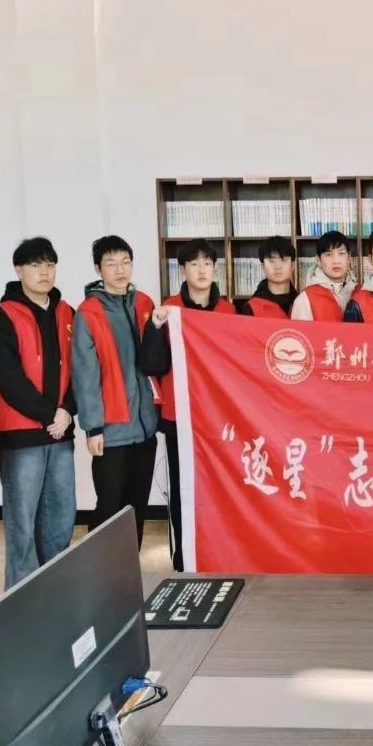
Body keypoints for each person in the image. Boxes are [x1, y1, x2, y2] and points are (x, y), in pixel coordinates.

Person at [0, 236, 77, 589]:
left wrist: (68, 410)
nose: (44, 272)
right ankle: (20, 603)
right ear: (19, 270)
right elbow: (8, 379)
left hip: (61, 435)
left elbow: (81, 369)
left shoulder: (67, 313)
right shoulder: (2, 318)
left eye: (50, 264)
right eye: (35, 265)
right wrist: (51, 414)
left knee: (61, 521)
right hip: (22, 438)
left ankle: (55, 595)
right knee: (22, 527)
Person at [140, 239, 234, 571]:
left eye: (207, 263)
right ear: (182, 270)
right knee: (182, 492)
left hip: (219, 420)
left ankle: (219, 556)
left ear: (215, 268)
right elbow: (151, 364)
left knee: (221, 491)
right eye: (194, 264)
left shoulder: (228, 312)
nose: (201, 270)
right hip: (179, 418)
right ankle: (184, 562)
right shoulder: (168, 310)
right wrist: (156, 327)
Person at [72, 235, 159, 548]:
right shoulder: (89, 312)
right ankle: (101, 570)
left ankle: (129, 570)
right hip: (110, 431)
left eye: (125, 262)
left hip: (145, 427)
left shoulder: (145, 304)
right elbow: (85, 374)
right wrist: (93, 427)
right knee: (109, 508)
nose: (120, 270)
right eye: (111, 264)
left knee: (137, 507)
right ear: (99, 269)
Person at [291, 230, 356, 321]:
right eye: (329, 254)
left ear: (349, 258)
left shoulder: (359, 292)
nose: (336, 261)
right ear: (318, 260)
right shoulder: (305, 299)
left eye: (341, 253)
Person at [235, 235, 298, 318]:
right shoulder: (252, 308)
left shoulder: (303, 302)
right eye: (271, 261)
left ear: (293, 265)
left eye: (283, 260)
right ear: (263, 267)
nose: (278, 267)